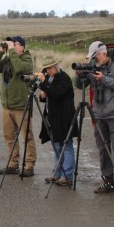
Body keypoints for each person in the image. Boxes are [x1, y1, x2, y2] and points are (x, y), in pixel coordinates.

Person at [74, 41, 114, 196]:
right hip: (98, 114)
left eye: (96, 56)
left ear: (103, 53)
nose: (94, 59)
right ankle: (107, 182)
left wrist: (104, 79)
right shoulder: (92, 66)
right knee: (103, 149)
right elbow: (79, 86)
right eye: (92, 57)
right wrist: (79, 75)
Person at [0, 35, 36, 177]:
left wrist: (12, 52)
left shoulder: (26, 59)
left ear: (22, 46)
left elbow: (20, 68)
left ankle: (29, 165)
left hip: (21, 105)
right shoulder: (9, 58)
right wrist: (1, 52)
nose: (11, 47)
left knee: (27, 136)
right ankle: (13, 164)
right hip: (7, 106)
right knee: (9, 136)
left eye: (14, 44)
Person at [36, 58, 78, 186]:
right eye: (46, 69)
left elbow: (56, 94)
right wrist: (42, 95)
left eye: (49, 68)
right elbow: (48, 95)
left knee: (66, 145)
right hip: (53, 117)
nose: (47, 71)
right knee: (57, 146)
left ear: (56, 66)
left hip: (64, 118)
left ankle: (68, 176)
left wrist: (44, 82)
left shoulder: (63, 78)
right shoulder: (50, 78)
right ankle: (57, 174)